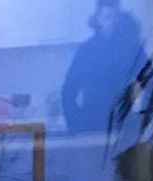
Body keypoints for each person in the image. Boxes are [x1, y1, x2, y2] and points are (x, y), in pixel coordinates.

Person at [62, 1, 147, 137]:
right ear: (97, 19)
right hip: (91, 123)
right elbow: (69, 91)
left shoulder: (132, 48)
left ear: (120, 19)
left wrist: (144, 121)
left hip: (123, 123)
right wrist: (74, 125)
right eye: (107, 17)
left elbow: (149, 82)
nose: (111, 23)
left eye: (115, 17)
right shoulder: (86, 50)